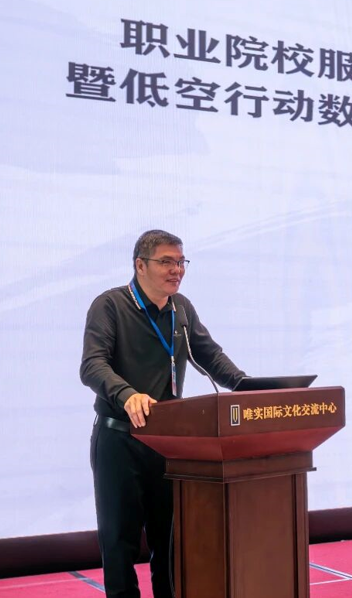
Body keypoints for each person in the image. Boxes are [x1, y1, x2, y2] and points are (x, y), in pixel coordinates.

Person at [80, 229, 247, 598]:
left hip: (168, 444)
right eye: (167, 262)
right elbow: (92, 365)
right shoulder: (110, 305)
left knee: (170, 545)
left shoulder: (180, 309)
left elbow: (211, 356)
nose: (177, 270)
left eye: (181, 262)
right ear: (140, 265)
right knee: (120, 542)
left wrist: (248, 387)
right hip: (120, 440)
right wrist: (127, 394)